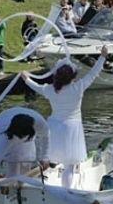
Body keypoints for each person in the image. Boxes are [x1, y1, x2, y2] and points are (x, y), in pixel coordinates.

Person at [22, 45, 107, 188]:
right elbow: (93, 73)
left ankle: (45, 184)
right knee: (70, 165)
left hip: (54, 125)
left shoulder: (50, 90)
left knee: (51, 159)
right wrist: (102, 57)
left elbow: (35, 86)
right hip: (72, 127)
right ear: (72, 76)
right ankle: (66, 189)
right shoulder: (78, 87)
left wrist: (26, 78)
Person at [0, 107, 50, 204]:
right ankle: (11, 199)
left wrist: (45, 157)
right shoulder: (3, 137)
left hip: (25, 133)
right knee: (14, 170)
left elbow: (46, 136)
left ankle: (25, 198)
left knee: (25, 164)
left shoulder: (39, 122)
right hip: (6, 133)